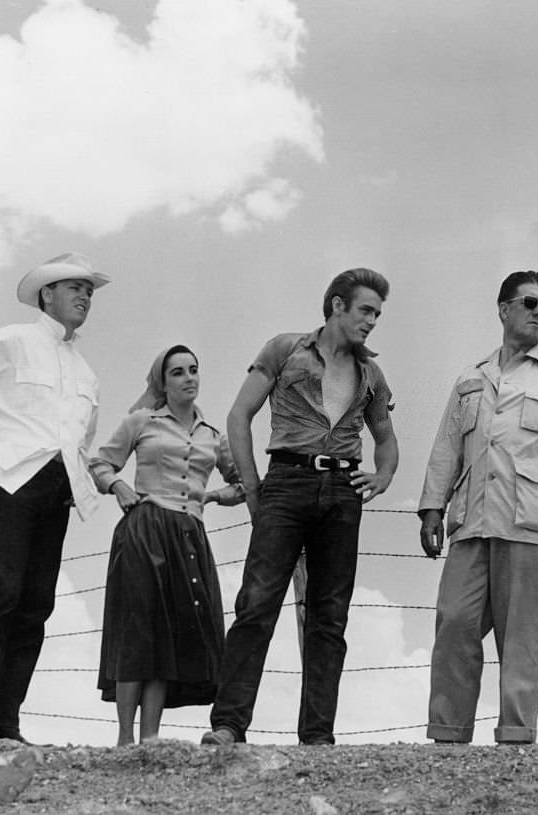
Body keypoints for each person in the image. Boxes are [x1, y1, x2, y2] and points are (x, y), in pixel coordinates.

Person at [201, 268, 399, 747]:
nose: (372, 321)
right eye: (365, 310)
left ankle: (317, 735)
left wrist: (382, 476)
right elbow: (238, 416)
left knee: (330, 616)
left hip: (342, 491)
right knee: (256, 603)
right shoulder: (285, 349)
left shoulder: (371, 373)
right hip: (286, 482)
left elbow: (386, 440)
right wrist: (252, 488)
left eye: (377, 313)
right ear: (336, 306)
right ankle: (229, 726)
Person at [0, 252, 110, 746]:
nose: (83, 297)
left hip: (57, 492)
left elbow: (80, 437)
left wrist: (74, 486)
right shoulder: (11, 341)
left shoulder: (86, 373)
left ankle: (5, 725)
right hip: (12, 481)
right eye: (73, 287)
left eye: (89, 291)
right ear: (46, 294)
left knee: (36, 605)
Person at [417, 270, 538, 745]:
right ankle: (448, 736)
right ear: (503, 309)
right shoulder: (470, 378)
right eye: (530, 303)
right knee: (454, 623)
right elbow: (446, 447)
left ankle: (516, 739)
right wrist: (432, 507)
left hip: (532, 520)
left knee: (522, 638)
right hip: (472, 522)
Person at [89, 345, 245, 746]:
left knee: (168, 634)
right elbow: (100, 464)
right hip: (145, 528)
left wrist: (212, 498)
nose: (188, 378)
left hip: (189, 534)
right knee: (138, 631)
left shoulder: (212, 435)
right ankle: (125, 739)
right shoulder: (142, 421)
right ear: (163, 381)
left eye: (194, 370)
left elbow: (244, 484)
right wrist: (119, 487)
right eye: (177, 372)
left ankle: (151, 739)